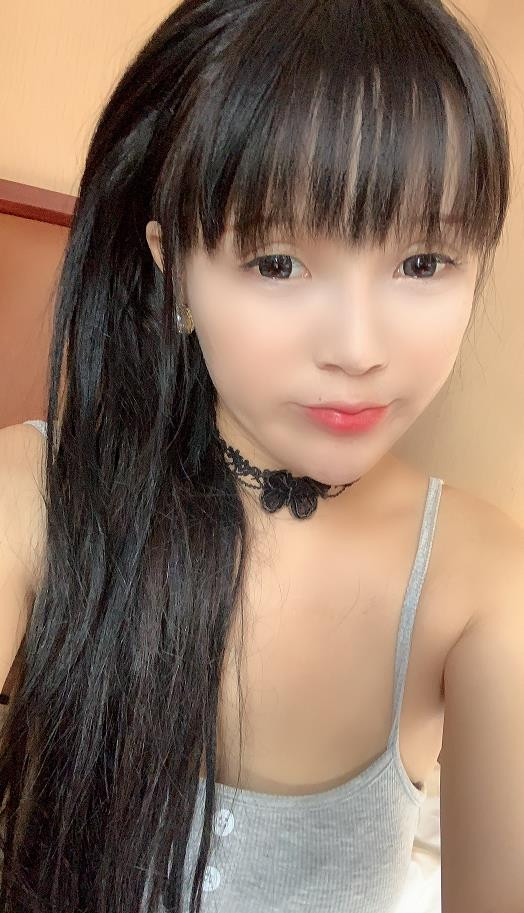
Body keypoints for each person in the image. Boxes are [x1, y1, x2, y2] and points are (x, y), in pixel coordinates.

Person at [0, 1, 523, 911]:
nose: (358, 348)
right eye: (278, 261)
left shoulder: (486, 582)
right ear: (174, 269)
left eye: (423, 261)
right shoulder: (31, 496)